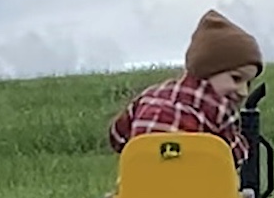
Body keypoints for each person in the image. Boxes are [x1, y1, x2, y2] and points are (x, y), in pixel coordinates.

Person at [108, 9, 263, 169]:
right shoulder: (219, 111)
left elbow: (117, 137)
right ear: (208, 69)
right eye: (236, 79)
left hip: (140, 190)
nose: (243, 91)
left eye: (248, 83)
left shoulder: (148, 96)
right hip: (195, 191)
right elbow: (234, 158)